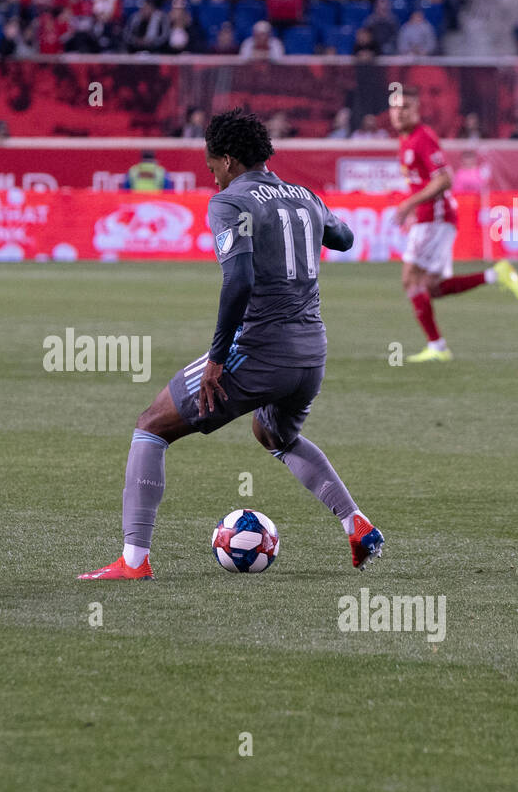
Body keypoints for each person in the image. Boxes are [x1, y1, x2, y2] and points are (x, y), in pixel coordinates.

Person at [78, 109, 384, 581]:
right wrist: (308, 217)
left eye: (212, 166)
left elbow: (238, 279)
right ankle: (357, 524)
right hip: (311, 354)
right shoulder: (305, 196)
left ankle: (134, 562)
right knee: (274, 435)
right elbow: (344, 237)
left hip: (259, 349)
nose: (212, 176)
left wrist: (217, 358)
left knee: (151, 427)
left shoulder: (230, 201)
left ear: (227, 159)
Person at [388, 86, 518, 364]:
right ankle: (495, 275)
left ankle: (437, 347)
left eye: (406, 108)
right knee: (431, 287)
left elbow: (444, 179)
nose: (400, 113)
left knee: (410, 280)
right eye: (396, 108)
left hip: (436, 217)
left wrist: (410, 204)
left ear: (417, 111)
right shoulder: (405, 140)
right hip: (430, 217)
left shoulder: (422, 137)